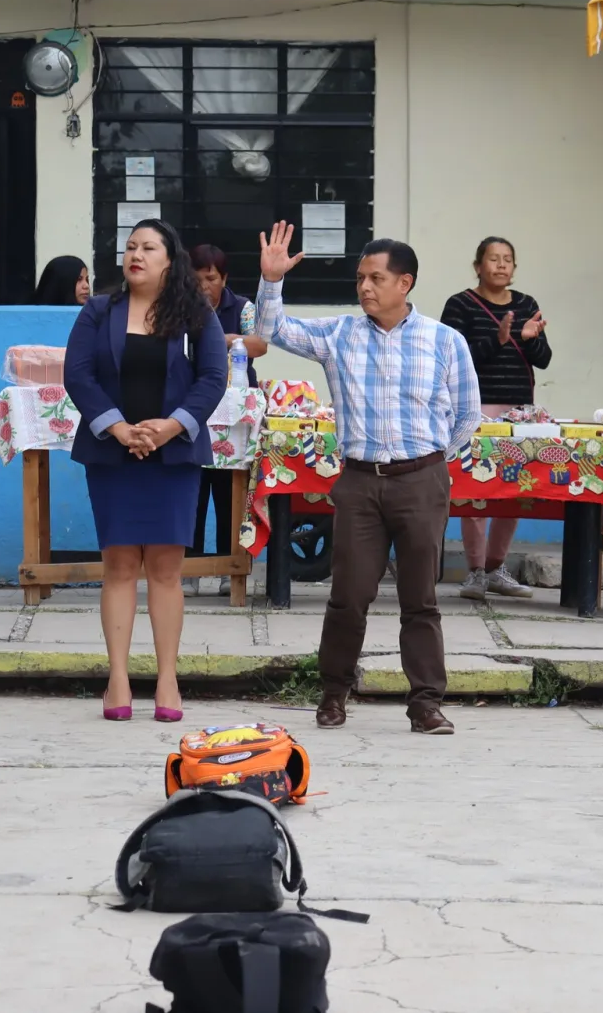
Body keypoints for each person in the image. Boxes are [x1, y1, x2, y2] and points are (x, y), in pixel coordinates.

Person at [253, 222, 481, 735]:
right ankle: (334, 693)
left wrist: (427, 463)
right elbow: (273, 331)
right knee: (348, 596)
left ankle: (425, 703)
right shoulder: (339, 335)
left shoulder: (445, 341)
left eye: (376, 278)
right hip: (358, 482)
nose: (364, 288)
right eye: (360, 278)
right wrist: (271, 281)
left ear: (406, 283)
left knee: (421, 599)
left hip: (421, 481)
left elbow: (467, 414)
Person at [64, 219, 229, 723]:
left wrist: (170, 426)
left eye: (148, 247)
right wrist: (117, 428)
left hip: (172, 457)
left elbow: (213, 376)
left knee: (165, 570)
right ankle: (116, 677)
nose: (135, 254)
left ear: (168, 258)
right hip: (113, 456)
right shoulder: (99, 310)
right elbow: (78, 373)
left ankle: (166, 678)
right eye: (130, 246)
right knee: (118, 567)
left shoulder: (194, 311)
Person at [438, 236, 551, 601]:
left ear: (514, 268)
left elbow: (544, 358)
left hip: (520, 412)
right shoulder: (460, 305)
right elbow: (451, 359)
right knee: (477, 490)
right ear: (478, 266)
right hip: (475, 410)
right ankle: (475, 572)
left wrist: (528, 338)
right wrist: (498, 340)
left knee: (514, 489)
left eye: (508, 260)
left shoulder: (526, 304)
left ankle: (497, 567)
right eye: (493, 259)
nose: (501, 265)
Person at [184, 243, 269, 597]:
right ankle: (187, 569)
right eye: (198, 279)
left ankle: (226, 566)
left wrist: (218, 339)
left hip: (232, 410)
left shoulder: (242, 307)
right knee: (193, 489)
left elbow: (259, 344)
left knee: (228, 490)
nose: (204, 286)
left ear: (225, 279)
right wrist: (232, 342)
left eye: (212, 279)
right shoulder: (180, 305)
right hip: (193, 406)